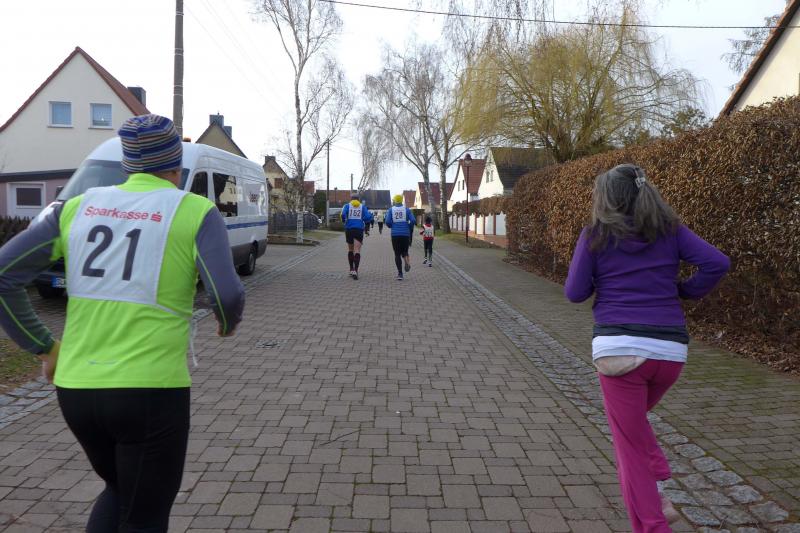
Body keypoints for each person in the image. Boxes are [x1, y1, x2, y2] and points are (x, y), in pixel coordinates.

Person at [0, 114, 245, 532]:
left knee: (119, 491)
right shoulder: (194, 210)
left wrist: (45, 347)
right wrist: (226, 321)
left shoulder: (74, 207)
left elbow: (5, 274)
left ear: (127, 164)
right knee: (145, 515)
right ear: (176, 164)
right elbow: (228, 294)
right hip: (150, 392)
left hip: (77, 390)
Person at [564, 164, 729, 533]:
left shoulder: (595, 235)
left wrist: (601, 280)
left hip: (619, 352)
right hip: (670, 354)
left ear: (606, 198)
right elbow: (717, 263)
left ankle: (654, 522)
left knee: (629, 448)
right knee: (631, 429)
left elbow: (574, 293)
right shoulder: (670, 231)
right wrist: (686, 291)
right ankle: (659, 489)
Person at [341, 194, 373, 280]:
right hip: (359, 229)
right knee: (357, 250)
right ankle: (356, 270)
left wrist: (344, 220)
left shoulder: (347, 206)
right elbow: (367, 218)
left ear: (351, 199)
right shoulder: (362, 207)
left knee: (350, 250)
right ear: (358, 199)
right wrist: (366, 219)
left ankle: (351, 269)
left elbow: (343, 214)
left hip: (349, 229)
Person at [384, 195, 416, 280]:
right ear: (402, 201)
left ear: (394, 201)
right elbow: (413, 220)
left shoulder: (391, 210)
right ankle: (406, 261)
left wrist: (391, 226)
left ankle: (400, 274)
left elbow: (387, 221)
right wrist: (408, 227)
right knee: (405, 251)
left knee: (397, 254)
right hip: (405, 234)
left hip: (395, 234)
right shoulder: (407, 209)